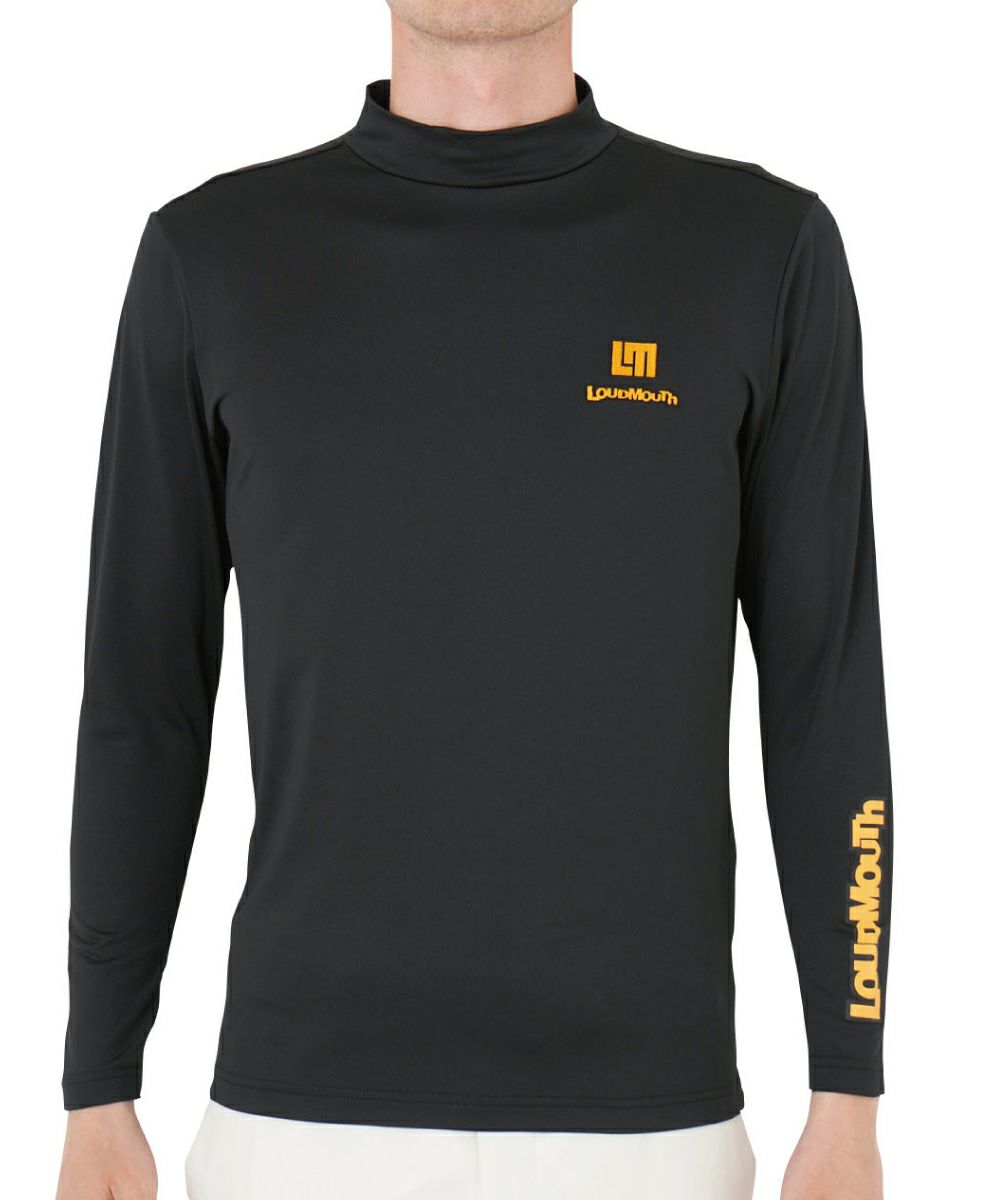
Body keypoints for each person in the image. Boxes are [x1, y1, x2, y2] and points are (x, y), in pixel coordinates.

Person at [55, 2, 893, 1198]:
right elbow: (142, 700)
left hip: (649, 1137)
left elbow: (824, 698)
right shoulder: (214, 255)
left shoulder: (756, 249)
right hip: (297, 1128)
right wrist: (98, 1086)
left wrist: (847, 1094)